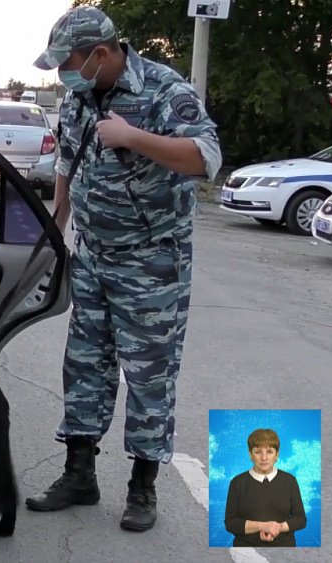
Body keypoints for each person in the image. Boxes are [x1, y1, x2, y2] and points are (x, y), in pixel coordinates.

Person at [24, 6, 223, 533]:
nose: (65, 74)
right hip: (92, 257)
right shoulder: (78, 97)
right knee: (85, 366)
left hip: (152, 262)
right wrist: (55, 231)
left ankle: (142, 488)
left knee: (149, 377)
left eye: (70, 63)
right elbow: (68, 162)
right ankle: (79, 474)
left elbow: (206, 158)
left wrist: (135, 137)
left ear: (102, 54)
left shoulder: (163, 90)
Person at [224, 428, 307, 547]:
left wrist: (276, 529)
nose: (264, 458)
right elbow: (230, 523)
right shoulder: (237, 483)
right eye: (258, 452)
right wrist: (263, 526)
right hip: (246, 551)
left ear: (277, 454)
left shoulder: (290, 481)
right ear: (250, 455)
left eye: (269, 451)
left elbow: (300, 519)